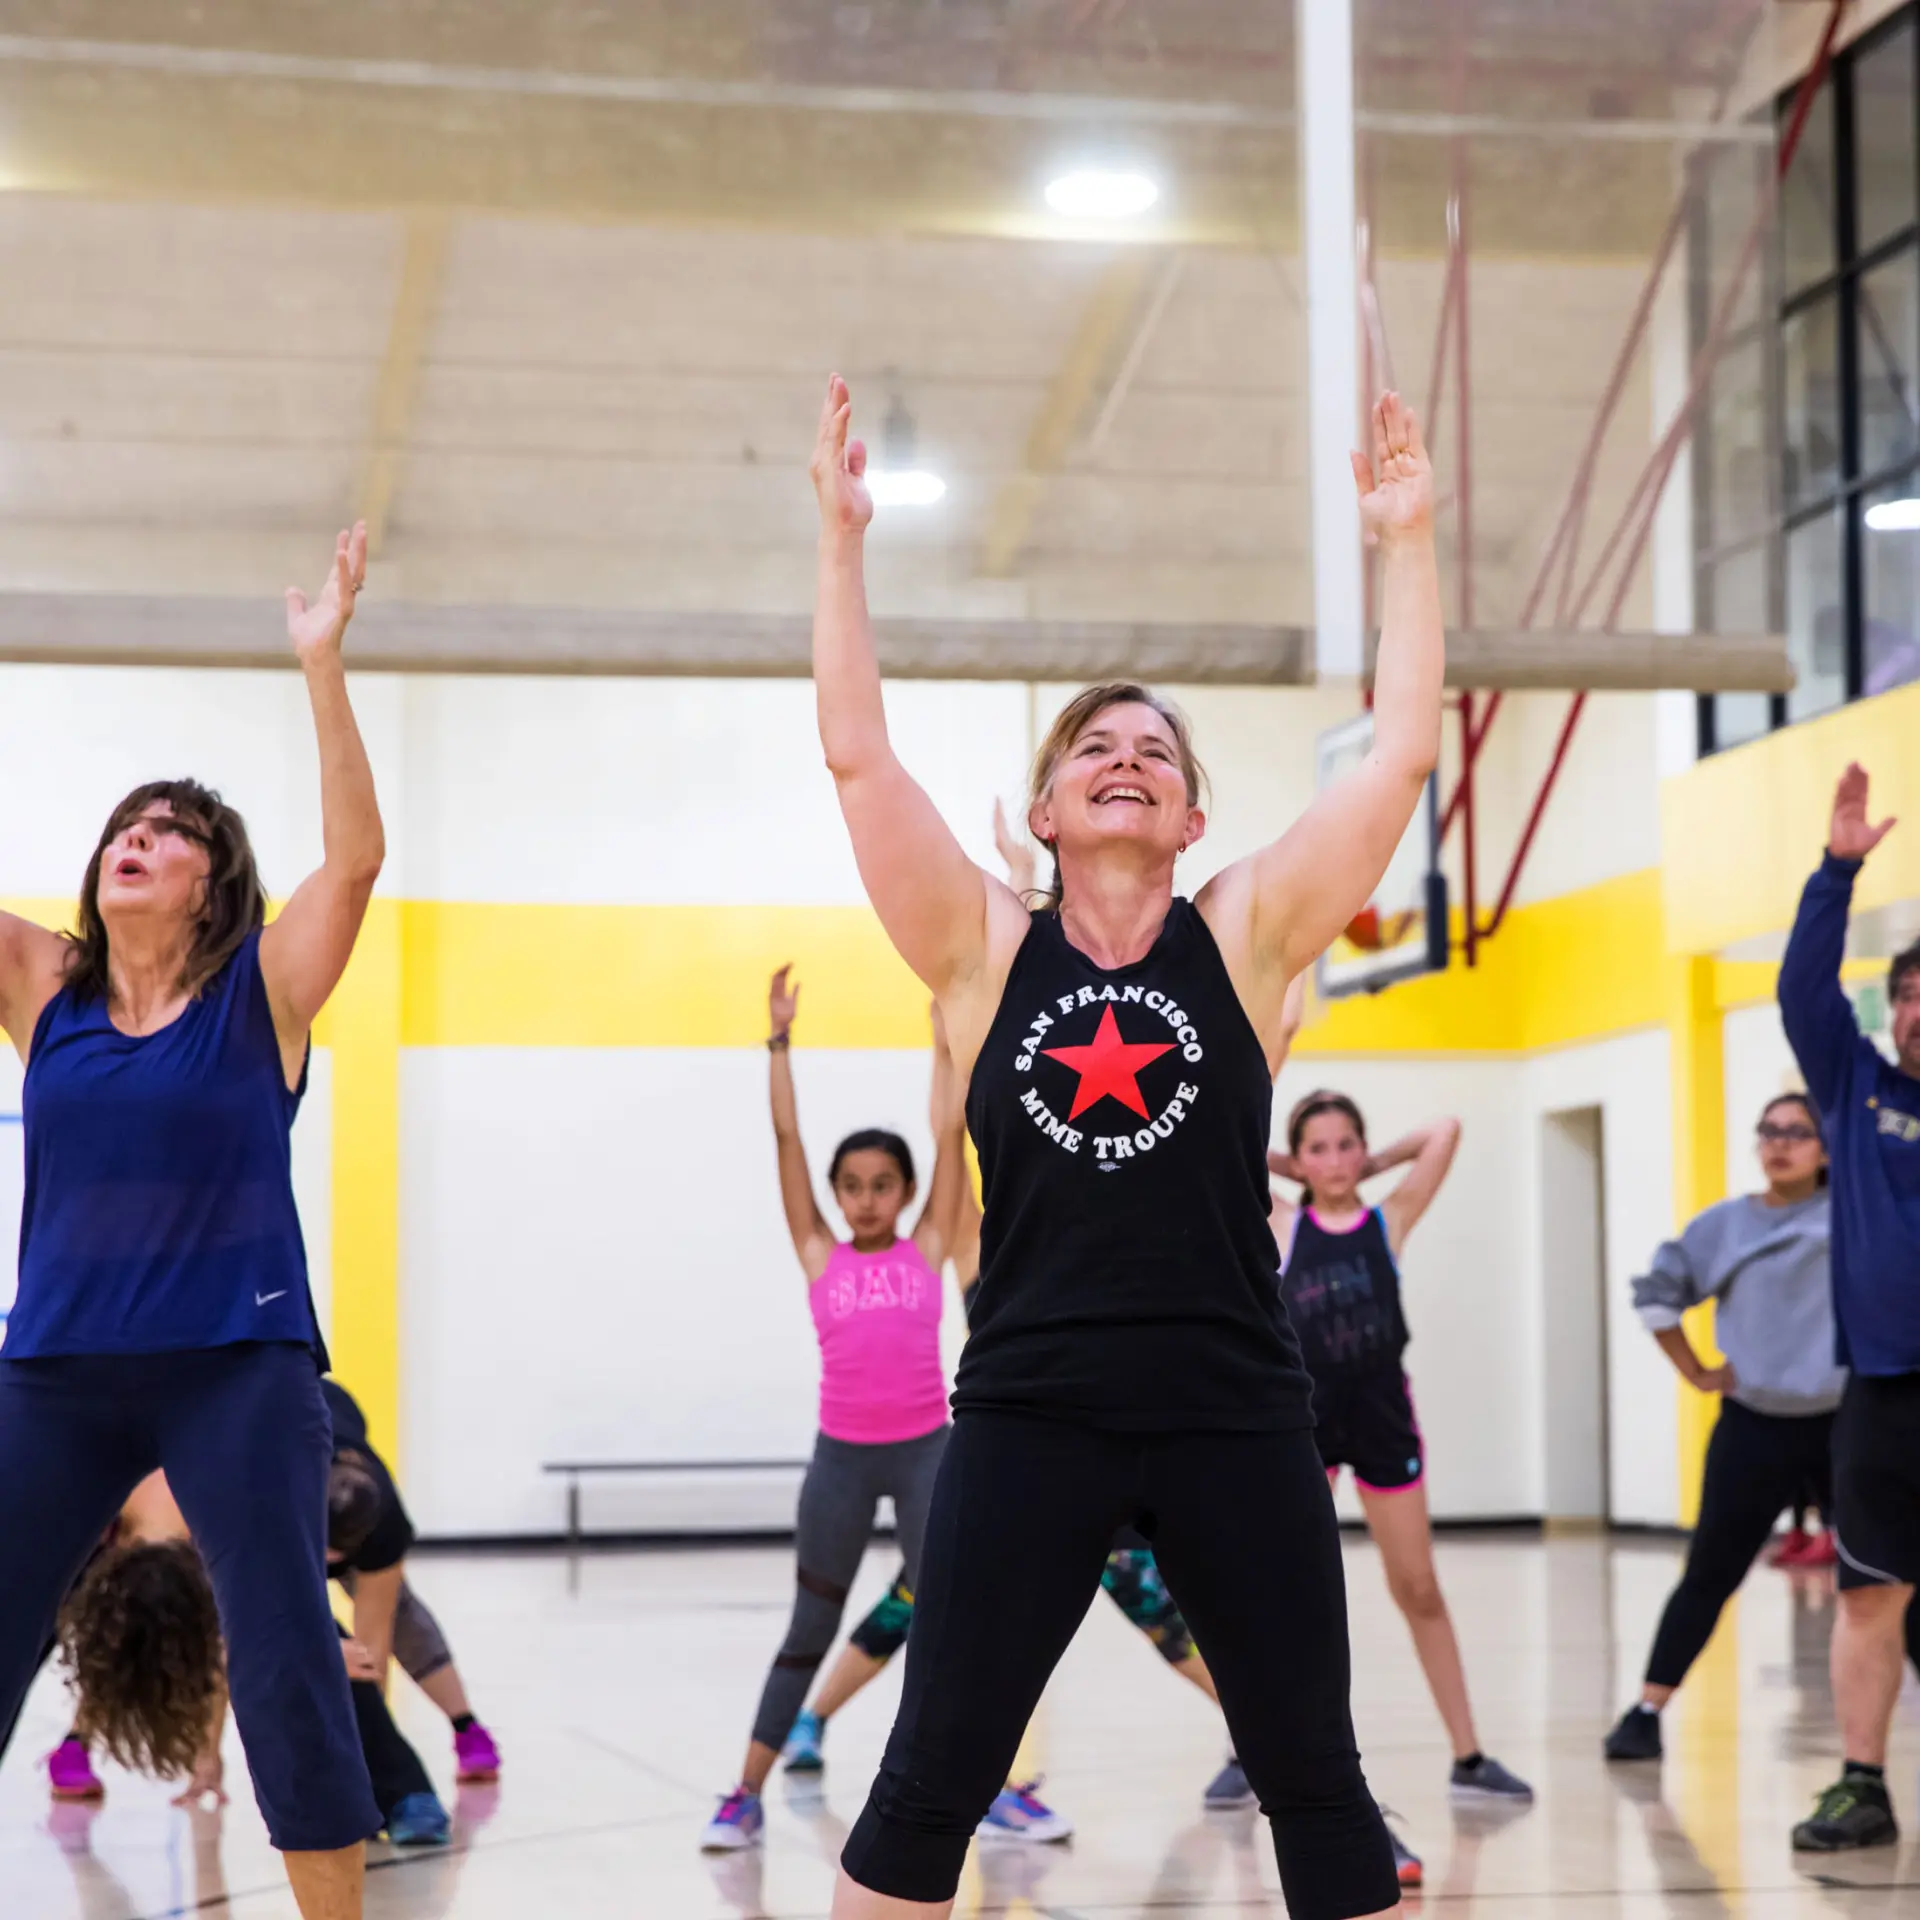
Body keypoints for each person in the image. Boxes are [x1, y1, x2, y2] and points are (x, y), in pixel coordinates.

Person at [808, 372, 1442, 1920]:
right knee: (925, 1787)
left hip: (1236, 1409)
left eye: (1158, 751)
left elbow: (1400, 759)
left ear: (1187, 817)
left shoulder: (1243, 937)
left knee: (1320, 1785)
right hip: (1031, 1411)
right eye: (1096, 744)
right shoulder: (978, 947)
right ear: (1041, 807)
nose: (1127, 757)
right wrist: (840, 548)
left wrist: (1409, 545)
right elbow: (858, 763)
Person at [0, 523, 384, 1920]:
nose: (134, 841)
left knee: (286, 1657)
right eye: (123, 828)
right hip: (57, 1373)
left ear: (212, 878)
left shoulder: (260, 995)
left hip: (237, 1368)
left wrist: (322, 664)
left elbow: (354, 861)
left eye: (167, 832)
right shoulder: (44, 987)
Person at [699, 968, 967, 1852]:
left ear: (904, 1189)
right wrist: (779, 1042)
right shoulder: (821, 1252)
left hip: (929, 1453)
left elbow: (950, 1127)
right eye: (850, 1184)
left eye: (882, 1183)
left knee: (957, 1624)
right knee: (809, 1628)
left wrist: (945, 1041)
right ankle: (743, 1794)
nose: (864, 1197)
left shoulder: (931, 1244)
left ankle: (990, 1789)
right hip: (844, 1462)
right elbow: (786, 1137)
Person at [1268, 1092, 1531, 1804]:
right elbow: (1222, 1151)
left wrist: (1372, 1166)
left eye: (1346, 1145)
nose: (1335, 1161)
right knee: (1284, 1596)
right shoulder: (1285, 1224)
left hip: (1383, 1420)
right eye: (1317, 1149)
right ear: (1298, 1159)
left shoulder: (1389, 1221)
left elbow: (1446, 1128)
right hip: (1307, 1427)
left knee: (1418, 1587)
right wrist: (1293, 1168)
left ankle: (1469, 1758)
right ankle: (1250, 1750)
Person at [1602, 1094, 1846, 1761]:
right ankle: (1646, 1711)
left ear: (1826, 1148)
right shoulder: (1724, 1228)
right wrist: (1697, 1371)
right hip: (1754, 1427)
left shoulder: (1852, 1216)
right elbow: (1656, 1296)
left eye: (1798, 1133)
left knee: (1887, 1576)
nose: (1780, 1144)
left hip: (1845, 1425)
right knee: (1710, 1570)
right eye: (1769, 1131)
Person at [1778, 763, 1920, 1853]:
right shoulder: (1855, 1085)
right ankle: (1863, 1785)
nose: (1918, 1012)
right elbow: (1802, 992)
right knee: (1869, 1596)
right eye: (1907, 994)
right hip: (1881, 1393)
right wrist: (1837, 870)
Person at [51, 1469, 453, 1847]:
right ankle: (74, 1743)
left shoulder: (236, 1517)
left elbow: (237, 1641)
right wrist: (207, 1753)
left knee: (328, 1648)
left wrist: (308, 1654)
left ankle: (401, 1788)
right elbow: (220, 1648)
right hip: (160, 1531)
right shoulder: (118, 1519)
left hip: (246, 1480)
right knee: (313, 1652)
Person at [322, 1377, 502, 1785]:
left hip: (343, 1484)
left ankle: (467, 1729)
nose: (329, 1562)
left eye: (338, 1554)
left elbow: (372, 1644)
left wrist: (371, 1755)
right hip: (290, 1504)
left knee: (399, 1616)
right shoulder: (271, 1505)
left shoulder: (385, 1523)